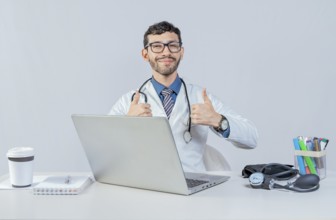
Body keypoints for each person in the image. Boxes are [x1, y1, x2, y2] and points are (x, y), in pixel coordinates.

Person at [109, 21, 258, 172]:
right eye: (157, 46)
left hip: (192, 185)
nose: (166, 52)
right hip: (146, 185)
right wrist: (126, 125)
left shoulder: (201, 98)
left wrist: (218, 120)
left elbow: (252, 138)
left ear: (181, 52)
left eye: (172, 45)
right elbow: (104, 150)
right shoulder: (128, 101)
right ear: (145, 54)